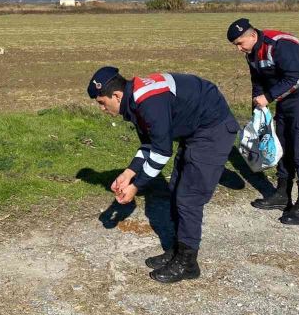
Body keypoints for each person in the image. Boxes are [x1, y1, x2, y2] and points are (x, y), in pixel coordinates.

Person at [87, 66, 239, 283]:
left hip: (213, 129)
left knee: (189, 198)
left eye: (102, 102)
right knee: (176, 188)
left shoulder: (148, 102)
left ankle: (187, 263)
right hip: (193, 130)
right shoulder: (134, 102)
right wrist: (129, 173)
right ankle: (178, 250)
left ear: (117, 95)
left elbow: (161, 153)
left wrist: (136, 185)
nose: (101, 108)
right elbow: (149, 143)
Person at [226, 18, 299, 225]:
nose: (239, 49)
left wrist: (269, 97)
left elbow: (296, 78)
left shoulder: (281, 45)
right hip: (285, 101)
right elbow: (258, 80)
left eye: (239, 43)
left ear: (252, 35)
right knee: (282, 146)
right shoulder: (251, 53)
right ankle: (282, 194)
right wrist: (257, 105)